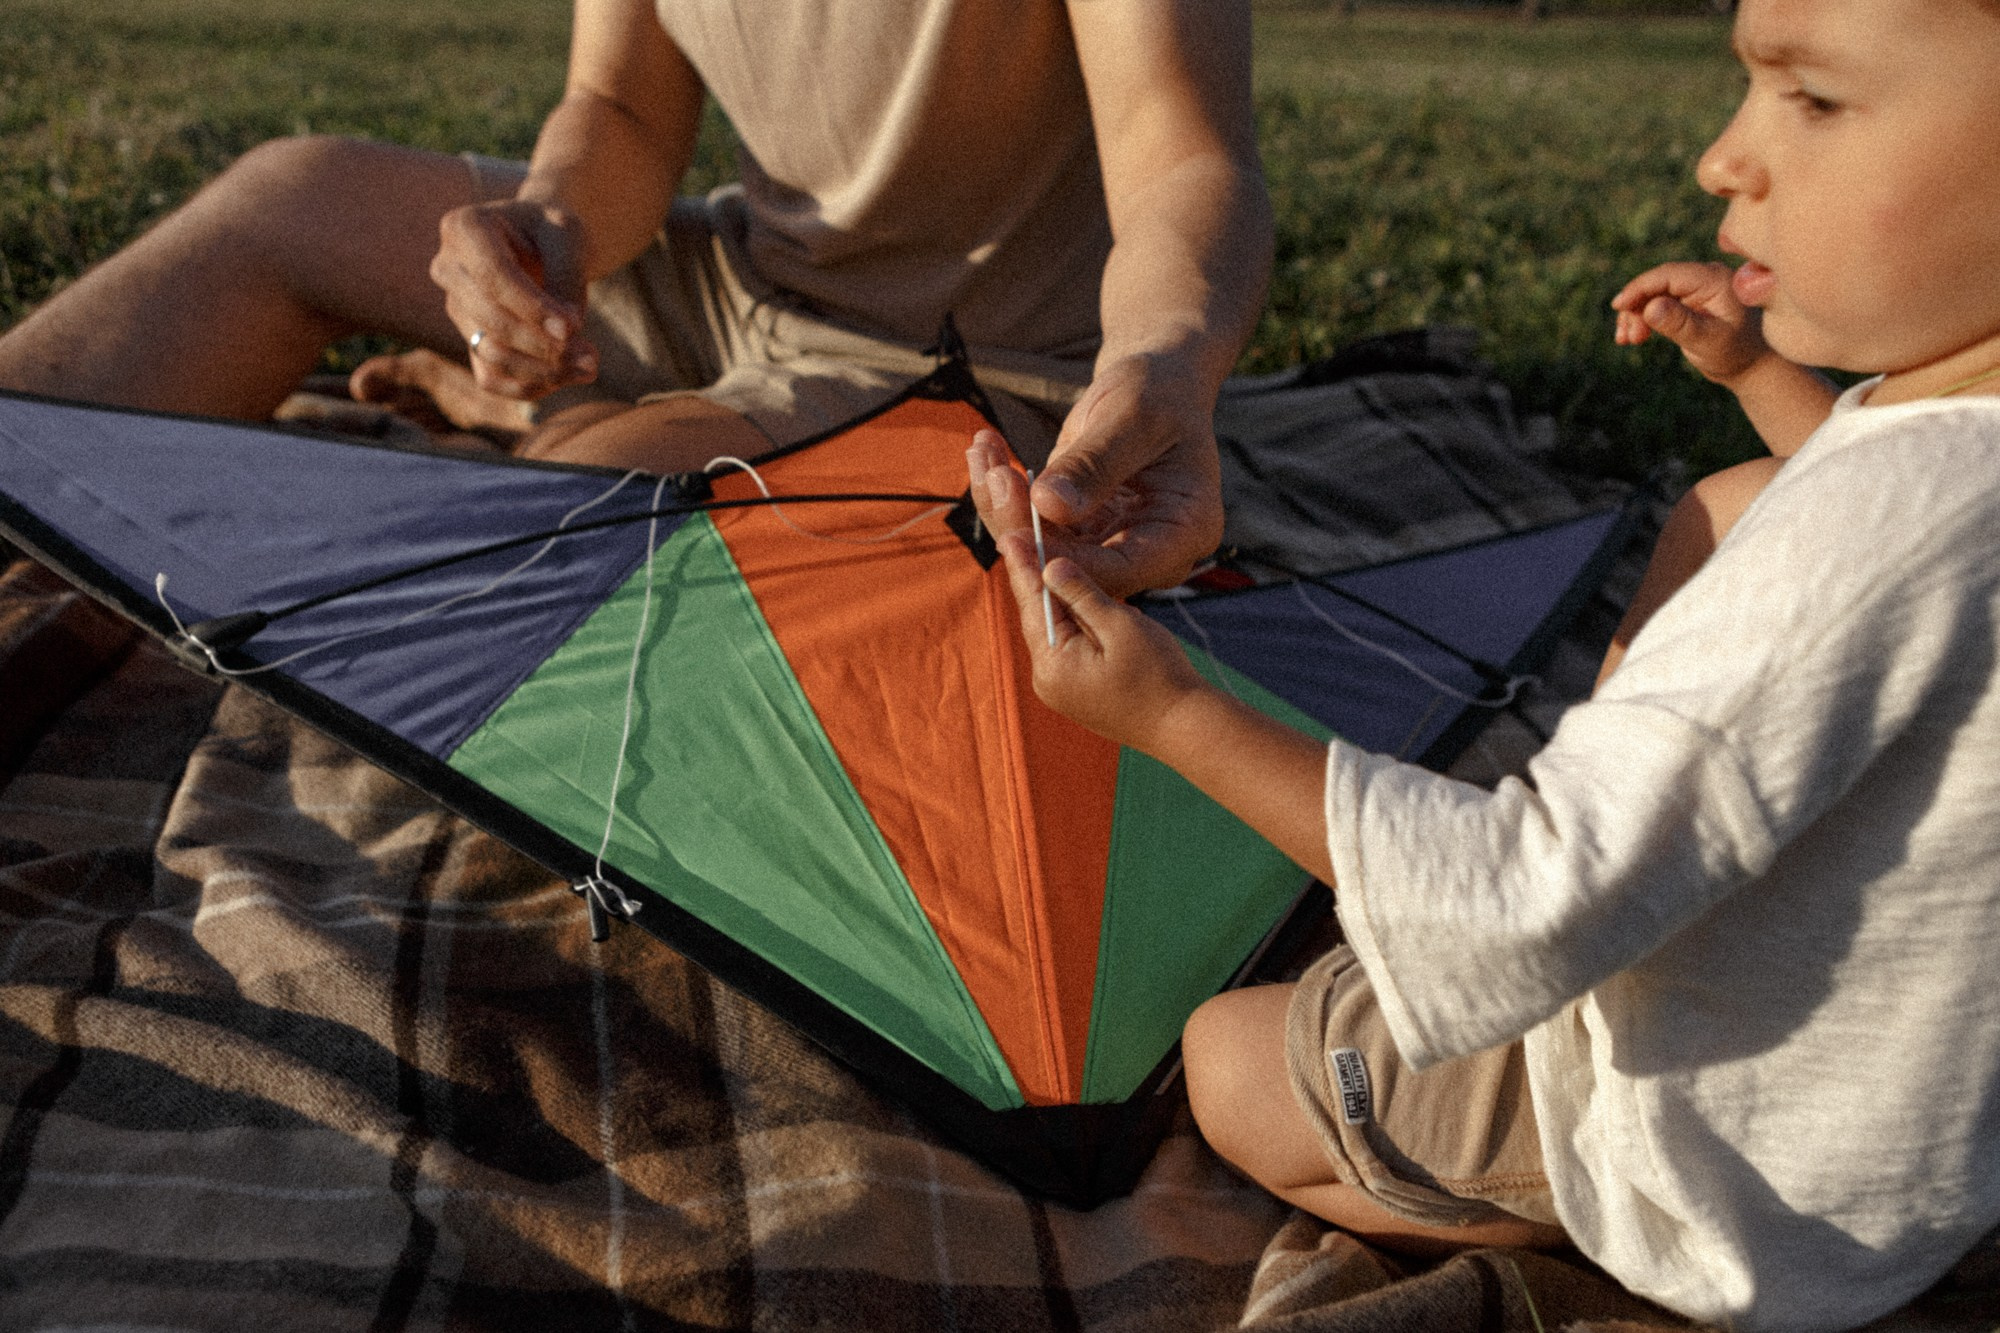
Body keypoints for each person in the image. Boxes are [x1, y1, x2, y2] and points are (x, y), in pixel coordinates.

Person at [968, 0, 2000, 1325]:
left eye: (1812, 100)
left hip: (1738, 1164)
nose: (1724, 158)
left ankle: (1586, 1222)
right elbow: (1902, 555)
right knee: (1739, 492)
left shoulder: (1870, 535)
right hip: (1927, 1139)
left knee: (1226, 1065)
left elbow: (1531, 900)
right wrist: (1761, 378)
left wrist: (1168, 711)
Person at [0, 0, 1271, 599]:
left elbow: (1183, 154)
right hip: (737, 271)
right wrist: (545, 227)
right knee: (290, 199)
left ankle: (538, 429)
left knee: (541, 532)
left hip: (975, 366)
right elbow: (617, 110)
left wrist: (1162, 356)